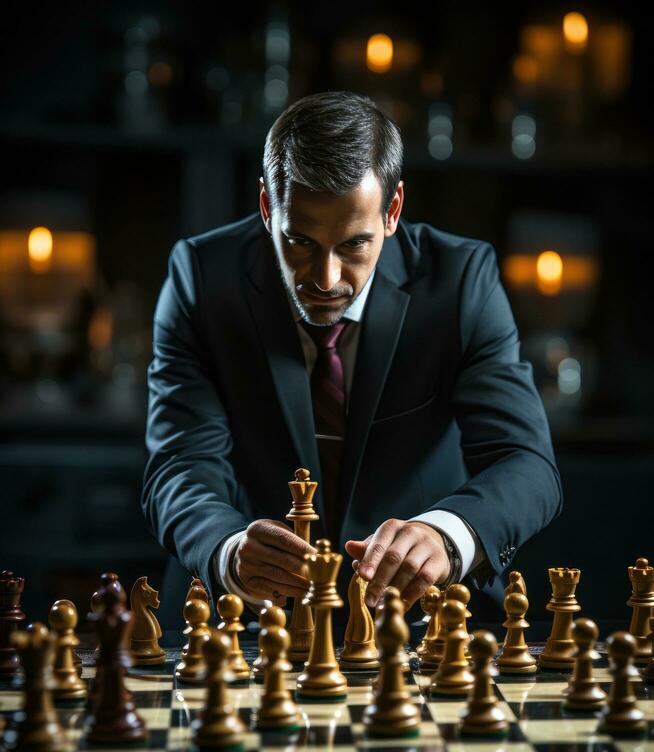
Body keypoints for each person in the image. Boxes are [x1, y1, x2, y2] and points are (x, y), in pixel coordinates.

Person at [141, 90, 562, 627]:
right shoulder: (201, 276)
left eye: (354, 245)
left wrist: (446, 534)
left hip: (421, 621)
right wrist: (227, 550)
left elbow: (527, 463)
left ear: (393, 210)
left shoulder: (460, 281)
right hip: (240, 619)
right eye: (299, 241)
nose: (325, 279)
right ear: (268, 206)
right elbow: (179, 464)